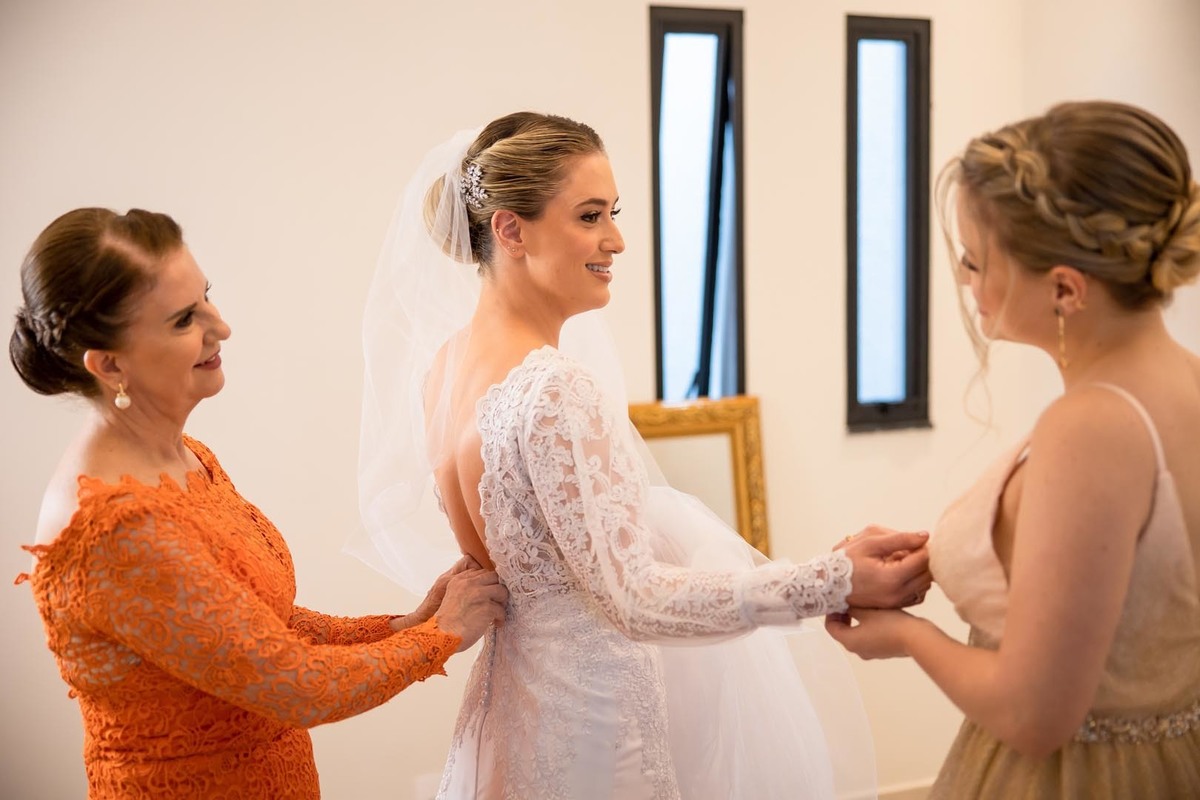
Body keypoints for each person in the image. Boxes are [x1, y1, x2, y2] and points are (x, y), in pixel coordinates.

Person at [352, 111, 933, 799]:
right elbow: (635, 599)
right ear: (510, 230)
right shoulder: (552, 389)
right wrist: (831, 581)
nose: (617, 240)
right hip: (592, 724)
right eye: (590, 216)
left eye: (614, 213)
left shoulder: (444, 372)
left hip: (508, 712)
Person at [9, 207, 509, 799]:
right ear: (109, 364)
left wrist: (404, 625)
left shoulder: (184, 457)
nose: (220, 327)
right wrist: (440, 636)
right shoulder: (115, 526)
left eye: (207, 296)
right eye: (184, 319)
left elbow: (260, 626)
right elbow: (297, 686)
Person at [826, 100, 1200, 798]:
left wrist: (907, 637)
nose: (968, 283)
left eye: (976, 261)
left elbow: (1034, 716)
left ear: (1064, 288)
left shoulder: (1093, 427)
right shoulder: (1185, 382)